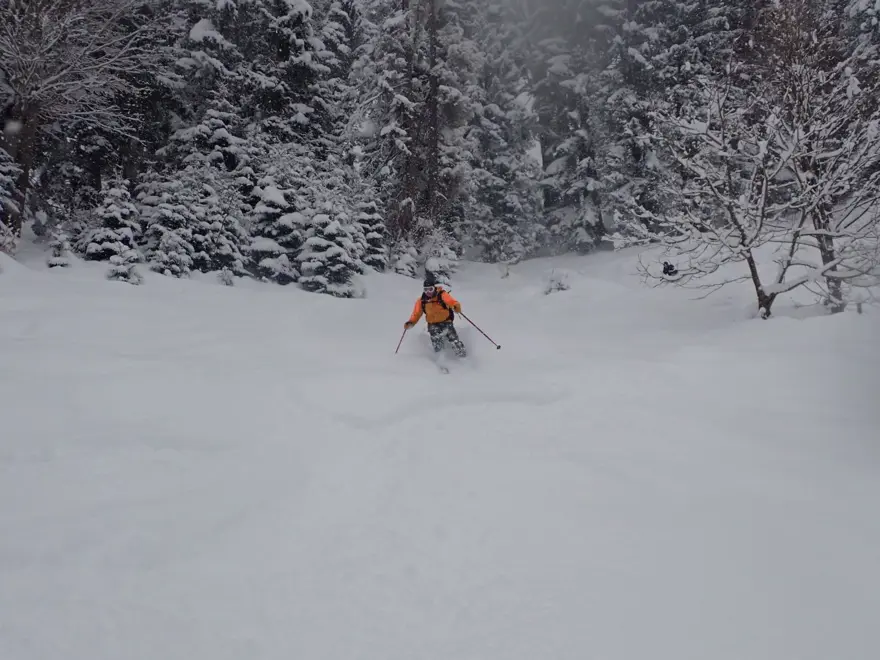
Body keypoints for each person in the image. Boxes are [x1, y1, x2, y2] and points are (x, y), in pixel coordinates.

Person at [404, 273, 467, 357]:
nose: (428, 292)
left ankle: (462, 355)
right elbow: (416, 313)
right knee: (436, 339)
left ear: (434, 288)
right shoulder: (422, 300)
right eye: (426, 290)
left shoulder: (442, 295)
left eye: (430, 289)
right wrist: (411, 322)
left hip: (446, 321)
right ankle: (440, 357)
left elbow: (451, 301)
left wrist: (455, 306)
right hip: (432, 324)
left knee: (453, 337)